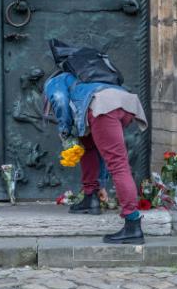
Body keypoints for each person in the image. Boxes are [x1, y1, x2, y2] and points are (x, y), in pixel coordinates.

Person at [44, 70, 148, 244]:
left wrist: (65, 133)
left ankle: (132, 224)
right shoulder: (84, 77)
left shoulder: (54, 82)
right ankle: (90, 197)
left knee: (118, 164)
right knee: (88, 145)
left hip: (103, 107)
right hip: (123, 103)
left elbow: (60, 101)